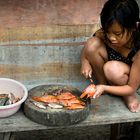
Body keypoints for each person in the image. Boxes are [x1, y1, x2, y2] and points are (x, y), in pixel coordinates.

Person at [80, 0, 140, 113]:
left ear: (134, 27)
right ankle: (104, 85)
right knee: (93, 43)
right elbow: (89, 45)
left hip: (133, 81)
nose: (111, 37)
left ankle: (129, 96)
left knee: (112, 68)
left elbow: (132, 86)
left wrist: (104, 88)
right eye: (108, 32)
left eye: (117, 34)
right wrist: (84, 61)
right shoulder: (106, 33)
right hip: (111, 73)